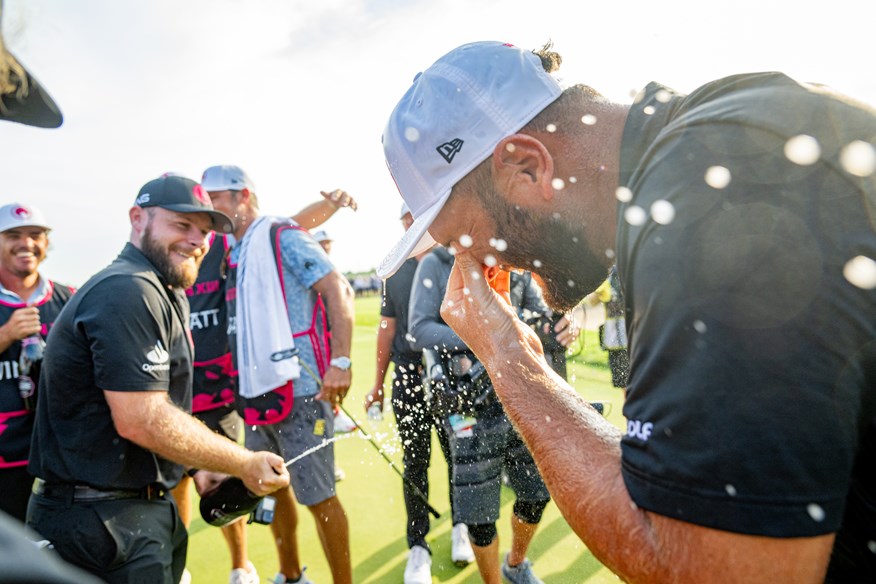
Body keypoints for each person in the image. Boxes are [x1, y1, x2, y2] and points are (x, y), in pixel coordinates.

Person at [376, 41, 876, 583]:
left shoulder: (701, 204)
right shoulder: (705, 142)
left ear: (526, 166)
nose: (476, 264)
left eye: (467, 238)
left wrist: (506, 354)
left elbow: (717, 569)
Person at [26, 174, 290, 584]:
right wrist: (242, 461)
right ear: (138, 219)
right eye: (181, 225)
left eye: (203, 232)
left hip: (127, 515)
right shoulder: (128, 289)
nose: (196, 240)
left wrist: (198, 466)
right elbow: (141, 418)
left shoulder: (160, 289)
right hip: (101, 525)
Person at [173, 180, 357, 584]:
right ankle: (290, 575)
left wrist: (341, 361)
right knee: (269, 488)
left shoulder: (248, 237)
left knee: (320, 496)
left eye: (216, 200)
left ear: (242, 196)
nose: (206, 216)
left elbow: (289, 228)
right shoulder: (220, 245)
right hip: (253, 393)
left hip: (297, 390)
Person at [409, 245, 553, 584]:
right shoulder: (438, 261)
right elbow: (419, 330)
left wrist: (561, 323)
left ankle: (515, 564)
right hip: (466, 403)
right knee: (478, 512)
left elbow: (541, 312)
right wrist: (486, 335)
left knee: (536, 492)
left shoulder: (511, 259)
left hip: (518, 394)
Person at [364, 205, 474, 584]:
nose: (412, 225)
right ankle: (418, 546)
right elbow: (386, 327)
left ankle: (463, 526)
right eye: (406, 219)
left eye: (419, 216)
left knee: (462, 454)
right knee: (415, 462)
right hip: (410, 378)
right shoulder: (394, 268)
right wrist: (377, 385)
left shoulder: (455, 261)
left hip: (456, 379)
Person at [0, 203, 74, 523]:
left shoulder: (70, 298)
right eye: (13, 235)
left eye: (35, 235)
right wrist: (5, 335)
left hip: (58, 460)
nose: (26, 243)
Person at [582, 266, 629, 389]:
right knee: (625, 383)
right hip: (618, 338)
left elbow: (592, 302)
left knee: (630, 383)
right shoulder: (612, 277)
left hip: (625, 338)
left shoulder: (618, 275)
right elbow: (592, 302)